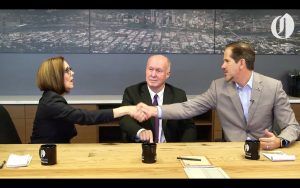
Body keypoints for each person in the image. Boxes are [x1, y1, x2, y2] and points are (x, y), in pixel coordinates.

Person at [138, 41, 300, 150]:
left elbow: (292, 126)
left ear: (241, 63)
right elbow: (188, 108)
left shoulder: (273, 87)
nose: (222, 66)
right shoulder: (218, 87)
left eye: (227, 61)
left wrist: (280, 141)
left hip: (264, 152)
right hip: (231, 153)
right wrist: (154, 111)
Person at [31, 56, 145, 144]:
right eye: (67, 70)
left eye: (70, 69)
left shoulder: (51, 98)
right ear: (54, 76)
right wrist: (126, 110)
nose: (72, 73)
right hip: (44, 157)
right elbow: (85, 117)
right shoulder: (51, 102)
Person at [120, 54, 197, 143]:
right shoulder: (132, 92)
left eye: (159, 71)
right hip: (142, 148)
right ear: (146, 70)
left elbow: (189, 127)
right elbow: (124, 119)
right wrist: (140, 131)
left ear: (167, 74)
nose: (153, 75)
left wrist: (183, 149)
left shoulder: (178, 95)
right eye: (150, 69)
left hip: (169, 149)